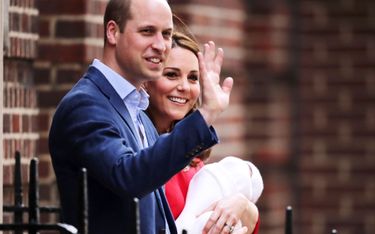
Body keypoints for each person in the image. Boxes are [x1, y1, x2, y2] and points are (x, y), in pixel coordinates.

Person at [48, 0, 233, 233]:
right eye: (147, 31)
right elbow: (129, 177)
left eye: (166, 34)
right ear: (113, 32)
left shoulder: (138, 112)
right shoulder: (85, 104)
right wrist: (205, 114)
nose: (161, 45)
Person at [144, 30, 262, 234]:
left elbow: (248, 225)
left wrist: (243, 206)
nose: (184, 87)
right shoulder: (138, 152)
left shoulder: (195, 163)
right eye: (171, 74)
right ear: (146, 81)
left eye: (192, 78)